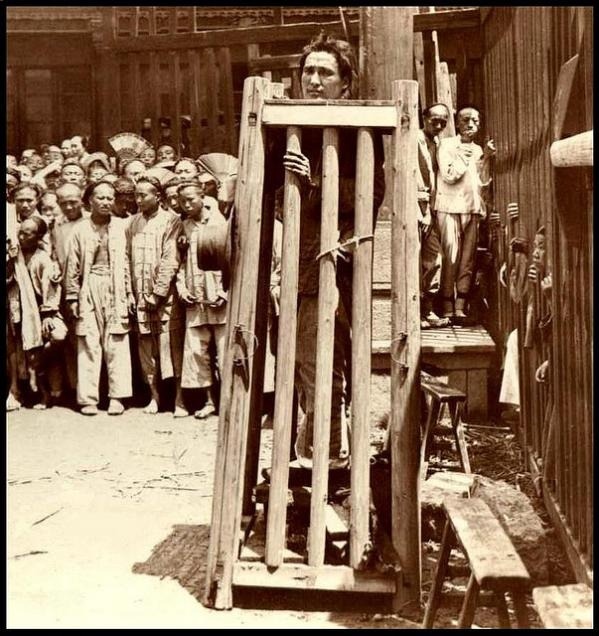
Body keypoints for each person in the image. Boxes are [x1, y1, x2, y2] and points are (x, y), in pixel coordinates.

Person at [269, 33, 385, 469]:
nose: (314, 80)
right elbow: (277, 203)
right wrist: (293, 190)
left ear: (345, 83)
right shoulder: (289, 129)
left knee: (337, 362)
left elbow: (370, 196)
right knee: (305, 362)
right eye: (308, 72)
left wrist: (315, 183)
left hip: (341, 263)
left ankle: (332, 454)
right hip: (301, 265)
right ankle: (316, 448)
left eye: (325, 73)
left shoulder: (360, 131)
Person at [65, 181, 134, 415]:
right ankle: (88, 399)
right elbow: (72, 266)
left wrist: (129, 292)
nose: (106, 202)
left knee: (116, 341)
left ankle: (117, 396)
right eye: (100, 198)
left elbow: (127, 262)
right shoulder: (80, 230)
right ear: (90, 201)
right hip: (89, 286)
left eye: (109, 198)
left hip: (116, 287)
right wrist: (72, 297)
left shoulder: (122, 227)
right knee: (89, 341)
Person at [127, 175, 186, 416]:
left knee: (172, 348)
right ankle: (155, 397)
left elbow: (170, 258)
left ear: (158, 196)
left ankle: (180, 400)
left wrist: (158, 293)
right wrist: (132, 293)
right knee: (146, 350)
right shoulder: (133, 223)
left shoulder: (172, 221)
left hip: (165, 297)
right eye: (136, 195)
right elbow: (127, 260)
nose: (139, 200)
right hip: (140, 296)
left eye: (144, 195)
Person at [435, 106, 495, 320]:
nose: (471, 124)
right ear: (457, 123)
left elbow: (482, 182)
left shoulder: (479, 149)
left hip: (472, 208)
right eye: (466, 120)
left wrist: (485, 158)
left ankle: (460, 305)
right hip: (449, 207)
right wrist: (464, 156)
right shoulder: (446, 145)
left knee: (467, 259)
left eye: (475, 121)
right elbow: (449, 175)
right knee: (450, 255)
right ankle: (446, 305)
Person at [176, 181, 228, 419]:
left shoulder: (221, 222)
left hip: (219, 294)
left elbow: (233, 258)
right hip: (195, 294)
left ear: (202, 196)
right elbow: (177, 260)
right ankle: (209, 401)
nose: (187, 205)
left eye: (191, 199)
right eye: (182, 201)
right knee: (197, 350)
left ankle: (229, 400)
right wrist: (181, 287)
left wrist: (225, 291)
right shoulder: (183, 226)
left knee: (226, 349)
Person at [12, 216, 66, 409]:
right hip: (21, 310)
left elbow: (51, 289)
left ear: (39, 236)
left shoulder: (42, 259)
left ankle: (38, 370)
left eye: (28, 232)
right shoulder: (15, 255)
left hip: (43, 311)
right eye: (21, 231)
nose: (22, 235)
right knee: (27, 348)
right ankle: (40, 393)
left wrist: (48, 314)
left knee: (57, 335)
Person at [417, 103, 451, 329]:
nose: (438, 125)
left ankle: (427, 310)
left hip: (433, 205)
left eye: (443, 122)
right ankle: (416, 313)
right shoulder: (414, 139)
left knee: (434, 259)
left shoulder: (439, 143)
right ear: (424, 117)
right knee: (416, 258)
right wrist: (422, 209)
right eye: (434, 120)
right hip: (417, 204)